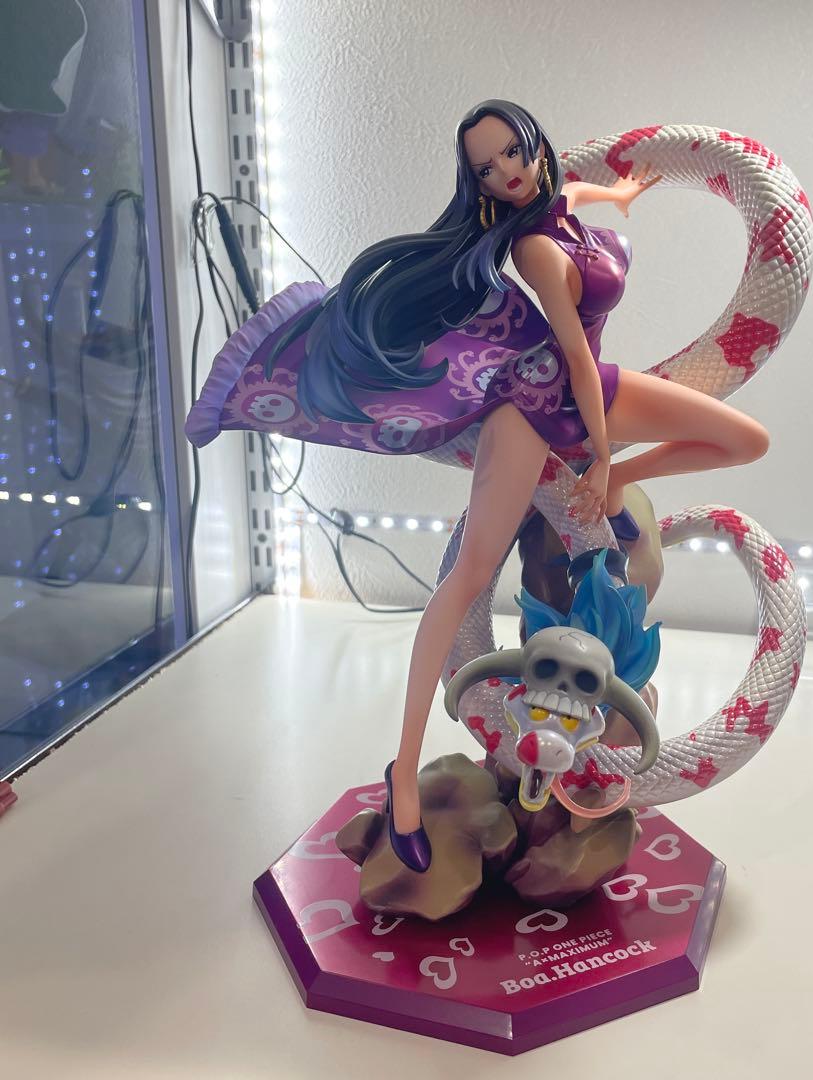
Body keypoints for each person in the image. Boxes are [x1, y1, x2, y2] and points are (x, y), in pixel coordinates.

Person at [185, 99, 770, 872]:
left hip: (587, 389)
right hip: (536, 405)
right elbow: (572, 351)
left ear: (535, 146)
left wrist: (620, 195)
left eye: (511, 154)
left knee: (743, 439)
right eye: (486, 169)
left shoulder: (557, 209)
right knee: (466, 577)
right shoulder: (533, 245)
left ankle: (621, 479)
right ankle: (402, 772)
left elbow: (573, 196)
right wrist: (599, 458)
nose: (505, 173)